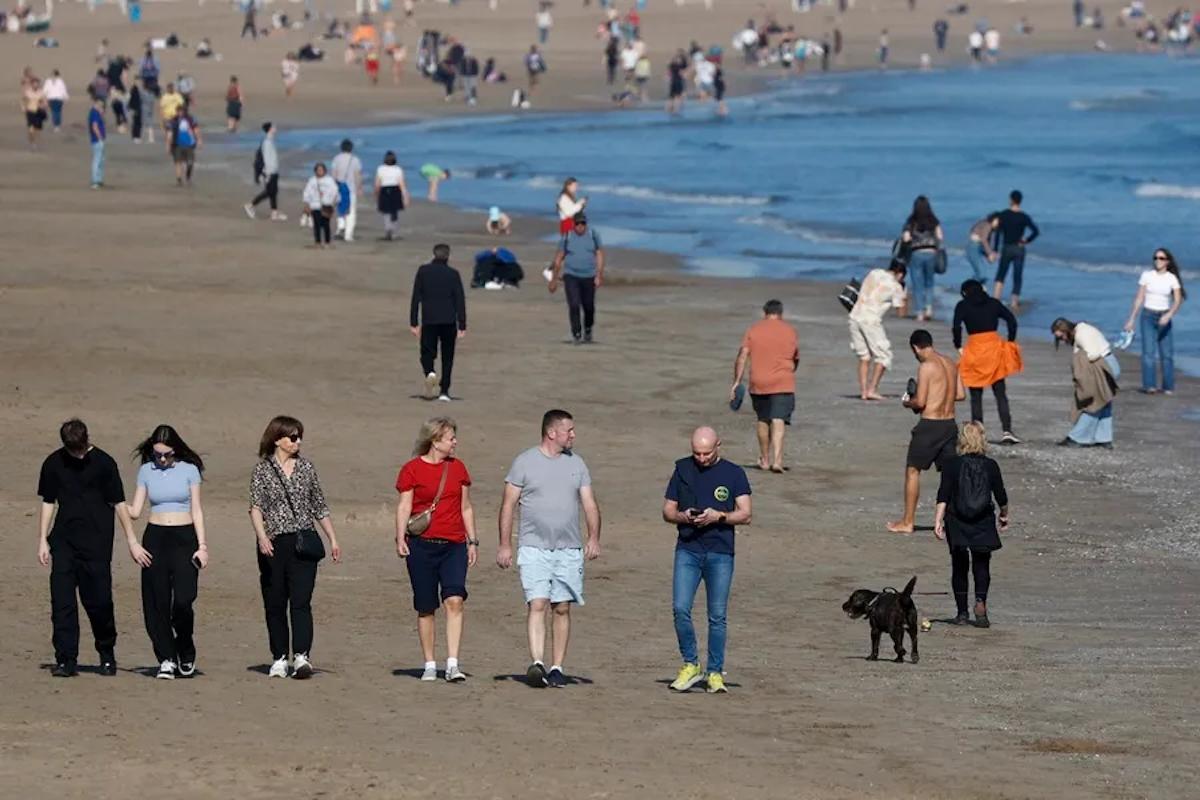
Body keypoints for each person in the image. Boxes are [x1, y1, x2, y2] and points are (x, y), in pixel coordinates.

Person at [497, 409, 601, 688]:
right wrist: (505, 544)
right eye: (569, 430)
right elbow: (508, 505)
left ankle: (556, 667)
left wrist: (594, 537)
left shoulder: (577, 463)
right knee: (538, 603)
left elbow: (589, 503)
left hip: (568, 549)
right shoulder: (524, 462)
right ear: (552, 433)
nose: (573, 435)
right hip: (534, 547)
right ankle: (537, 663)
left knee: (562, 607)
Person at [38, 419, 145, 678]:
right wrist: (42, 539)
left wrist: (132, 541)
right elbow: (48, 502)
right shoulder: (53, 463)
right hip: (63, 543)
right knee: (62, 604)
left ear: (86, 440)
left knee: (99, 602)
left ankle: (106, 653)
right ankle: (66, 659)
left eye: (80, 449)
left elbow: (119, 503)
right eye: (72, 450)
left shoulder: (105, 464)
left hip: (97, 545)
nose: (77, 455)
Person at [248, 416, 342, 679]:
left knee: (301, 601)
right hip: (274, 543)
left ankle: (302, 656)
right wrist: (262, 537)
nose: (298, 441)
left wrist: (333, 538)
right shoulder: (262, 470)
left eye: (300, 437)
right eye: (293, 437)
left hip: (303, 542)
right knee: (275, 602)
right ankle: (279, 657)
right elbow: (256, 507)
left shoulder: (306, 468)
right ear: (277, 439)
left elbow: (319, 506)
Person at [662, 427, 752, 695]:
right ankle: (691, 664)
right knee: (680, 608)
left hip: (720, 552)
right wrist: (684, 516)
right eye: (697, 453)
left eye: (706, 453)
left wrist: (718, 516)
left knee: (717, 616)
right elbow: (668, 510)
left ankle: (714, 672)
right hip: (688, 549)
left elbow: (745, 514)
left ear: (718, 446)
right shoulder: (682, 469)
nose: (701, 458)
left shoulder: (734, 473)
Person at [395, 417, 479, 682]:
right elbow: (405, 506)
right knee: (426, 606)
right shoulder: (411, 470)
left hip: (454, 545)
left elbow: (466, 507)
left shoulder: (458, 468)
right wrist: (400, 537)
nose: (455, 442)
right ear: (435, 440)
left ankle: (452, 664)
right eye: (451, 438)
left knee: (455, 600)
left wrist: (473, 541)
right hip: (421, 546)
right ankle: (430, 664)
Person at [126, 425, 208, 680]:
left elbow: (196, 510)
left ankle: (185, 649)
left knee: (183, 600)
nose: (162, 459)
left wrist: (202, 546)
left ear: (176, 450)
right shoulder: (146, 471)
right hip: (156, 539)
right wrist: (113, 502)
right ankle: (166, 658)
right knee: (156, 602)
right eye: (157, 454)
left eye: (167, 454)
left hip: (185, 539)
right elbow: (135, 511)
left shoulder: (189, 470)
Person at [887, 329, 965, 534]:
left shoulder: (926, 366)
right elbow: (960, 394)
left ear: (915, 348)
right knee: (950, 474)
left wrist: (907, 402)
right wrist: (939, 396)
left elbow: (920, 402)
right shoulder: (950, 362)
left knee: (913, 470)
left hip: (930, 425)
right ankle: (954, 521)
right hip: (949, 424)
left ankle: (907, 522)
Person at [933, 421, 1007, 628]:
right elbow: (1000, 495)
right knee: (982, 564)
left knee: (959, 565)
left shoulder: (952, 464)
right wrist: (1004, 514)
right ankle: (980, 601)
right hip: (983, 519)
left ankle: (962, 613)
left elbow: (943, 494)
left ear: (962, 440)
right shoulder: (991, 465)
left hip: (957, 519)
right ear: (982, 439)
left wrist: (937, 520)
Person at [731, 299, 799, 472]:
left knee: (763, 419)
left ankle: (765, 459)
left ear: (765, 312)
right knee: (778, 419)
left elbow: (742, 356)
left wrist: (737, 382)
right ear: (781, 313)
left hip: (759, 381)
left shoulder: (754, 329)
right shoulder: (789, 331)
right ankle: (777, 461)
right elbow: (795, 357)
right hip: (783, 381)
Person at [953, 280, 1022, 444]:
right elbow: (1011, 320)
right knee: (1000, 393)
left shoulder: (962, 305)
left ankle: (978, 433)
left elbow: (956, 326)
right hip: (994, 350)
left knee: (976, 396)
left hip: (974, 350)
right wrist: (1010, 341)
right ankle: (1007, 431)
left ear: (964, 292)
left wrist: (958, 345)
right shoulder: (993, 303)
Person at [1123, 247, 1185, 394]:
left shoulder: (1172, 278)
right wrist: (1131, 319)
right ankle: (1149, 385)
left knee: (1167, 355)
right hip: (1148, 316)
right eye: (1156, 258)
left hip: (1164, 317)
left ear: (1167, 261)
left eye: (1161, 258)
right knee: (1148, 353)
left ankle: (1168, 387)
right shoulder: (1147, 276)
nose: (1158, 261)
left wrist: (1169, 315)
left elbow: (1178, 300)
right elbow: (1139, 298)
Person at [410, 243, 467, 401]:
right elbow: (459, 299)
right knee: (448, 357)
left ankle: (430, 372)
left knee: (427, 352)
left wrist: (413, 322)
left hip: (430, 319)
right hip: (449, 320)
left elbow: (416, 297)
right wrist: (462, 323)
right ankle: (444, 391)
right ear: (448, 256)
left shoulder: (423, 271)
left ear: (434, 254)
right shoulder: (453, 274)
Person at [1051, 318, 1120, 447]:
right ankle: (1104, 438)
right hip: (1109, 363)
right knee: (1104, 401)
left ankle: (1078, 437)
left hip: (1105, 367)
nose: (1063, 340)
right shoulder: (1083, 330)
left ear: (1066, 330)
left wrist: (1081, 364)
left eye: (1061, 337)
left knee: (1094, 403)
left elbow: (1093, 354)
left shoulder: (1082, 334)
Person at [849, 260, 907, 401]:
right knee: (884, 356)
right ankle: (872, 389)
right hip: (871, 320)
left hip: (855, 315)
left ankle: (864, 391)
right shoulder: (895, 286)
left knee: (864, 356)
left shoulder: (874, 272)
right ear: (900, 274)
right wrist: (904, 295)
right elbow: (901, 312)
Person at [549, 213, 605, 344]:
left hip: (589, 276)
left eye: (582, 223)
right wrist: (553, 280)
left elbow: (599, 254)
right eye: (577, 223)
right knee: (574, 305)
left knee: (589, 306)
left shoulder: (593, 235)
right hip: (571, 276)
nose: (580, 226)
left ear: (586, 224)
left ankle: (588, 328)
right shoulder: (567, 237)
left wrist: (599, 275)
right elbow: (559, 258)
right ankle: (576, 333)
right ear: (573, 224)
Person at [991, 190, 1039, 311]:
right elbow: (1036, 231)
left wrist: (995, 250)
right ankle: (1014, 303)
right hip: (1019, 248)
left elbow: (998, 233)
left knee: (1001, 274)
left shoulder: (1003, 214)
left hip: (1007, 247)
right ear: (1020, 201)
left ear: (1011, 200)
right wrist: (1026, 240)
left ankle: (995, 300)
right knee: (1017, 276)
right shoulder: (1024, 216)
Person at [899, 195, 944, 321]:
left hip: (916, 253)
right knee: (929, 282)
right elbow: (940, 237)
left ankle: (919, 312)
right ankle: (929, 308)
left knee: (917, 283)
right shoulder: (933, 220)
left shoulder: (911, 221)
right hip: (931, 253)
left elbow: (906, 238)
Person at [245, 122, 286, 221]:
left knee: (273, 192)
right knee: (269, 192)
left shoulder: (270, 140)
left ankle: (274, 213)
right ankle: (250, 205)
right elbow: (267, 159)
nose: (275, 128)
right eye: (274, 126)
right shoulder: (267, 142)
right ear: (270, 129)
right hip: (269, 171)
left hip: (273, 171)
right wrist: (267, 173)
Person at [331, 139, 364, 242]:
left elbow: (334, 174)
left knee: (340, 208)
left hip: (339, 187)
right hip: (351, 189)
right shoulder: (355, 160)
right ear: (351, 148)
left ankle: (341, 226)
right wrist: (359, 187)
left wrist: (333, 187)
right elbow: (357, 175)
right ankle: (348, 235)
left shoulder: (337, 158)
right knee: (351, 211)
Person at [374, 150, 410, 240]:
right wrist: (405, 195)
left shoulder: (380, 168)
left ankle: (388, 229)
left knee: (386, 211)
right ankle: (393, 232)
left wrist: (376, 193)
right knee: (394, 211)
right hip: (395, 190)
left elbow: (377, 183)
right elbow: (401, 183)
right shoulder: (398, 169)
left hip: (384, 190)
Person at [302, 162, 338, 249]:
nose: (320, 171)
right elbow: (307, 192)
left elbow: (335, 191)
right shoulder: (312, 180)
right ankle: (317, 242)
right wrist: (306, 204)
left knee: (326, 224)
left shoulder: (329, 180)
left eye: (321, 170)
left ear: (325, 171)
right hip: (315, 205)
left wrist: (333, 203)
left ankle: (327, 242)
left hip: (326, 205)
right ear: (315, 171)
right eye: (318, 170)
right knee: (316, 224)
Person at [167, 106, 202, 187]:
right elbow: (169, 134)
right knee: (178, 162)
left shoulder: (190, 119)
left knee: (190, 163)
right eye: (179, 111)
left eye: (182, 111)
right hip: (177, 145)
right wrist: (168, 145)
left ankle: (188, 177)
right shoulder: (173, 120)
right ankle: (179, 180)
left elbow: (196, 130)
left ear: (185, 111)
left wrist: (199, 140)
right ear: (176, 112)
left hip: (189, 144)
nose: (180, 113)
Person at [965, 213, 999, 283]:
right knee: (981, 274)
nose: (998, 223)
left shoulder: (986, 224)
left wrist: (989, 254)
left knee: (980, 273)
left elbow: (984, 241)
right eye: (997, 221)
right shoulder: (987, 225)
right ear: (993, 219)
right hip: (973, 247)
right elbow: (984, 240)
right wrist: (990, 254)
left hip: (975, 247)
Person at [22, 76, 47, 149]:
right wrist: (23, 107)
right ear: (32, 84)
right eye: (34, 83)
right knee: (31, 129)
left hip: (38, 112)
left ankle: (34, 141)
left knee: (37, 129)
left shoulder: (41, 92)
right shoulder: (28, 92)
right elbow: (23, 100)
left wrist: (44, 105)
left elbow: (45, 101)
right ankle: (32, 143)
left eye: (37, 83)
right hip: (30, 111)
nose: (36, 85)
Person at [88, 97, 106, 189]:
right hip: (97, 140)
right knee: (97, 160)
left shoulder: (96, 113)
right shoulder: (94, 113)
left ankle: (98, 179)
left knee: (101, 160)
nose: (101, 106)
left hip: (98, 140)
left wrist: (101, 113)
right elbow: (94, 127)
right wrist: (100, 138)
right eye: (100, 104)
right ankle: (95, 181)